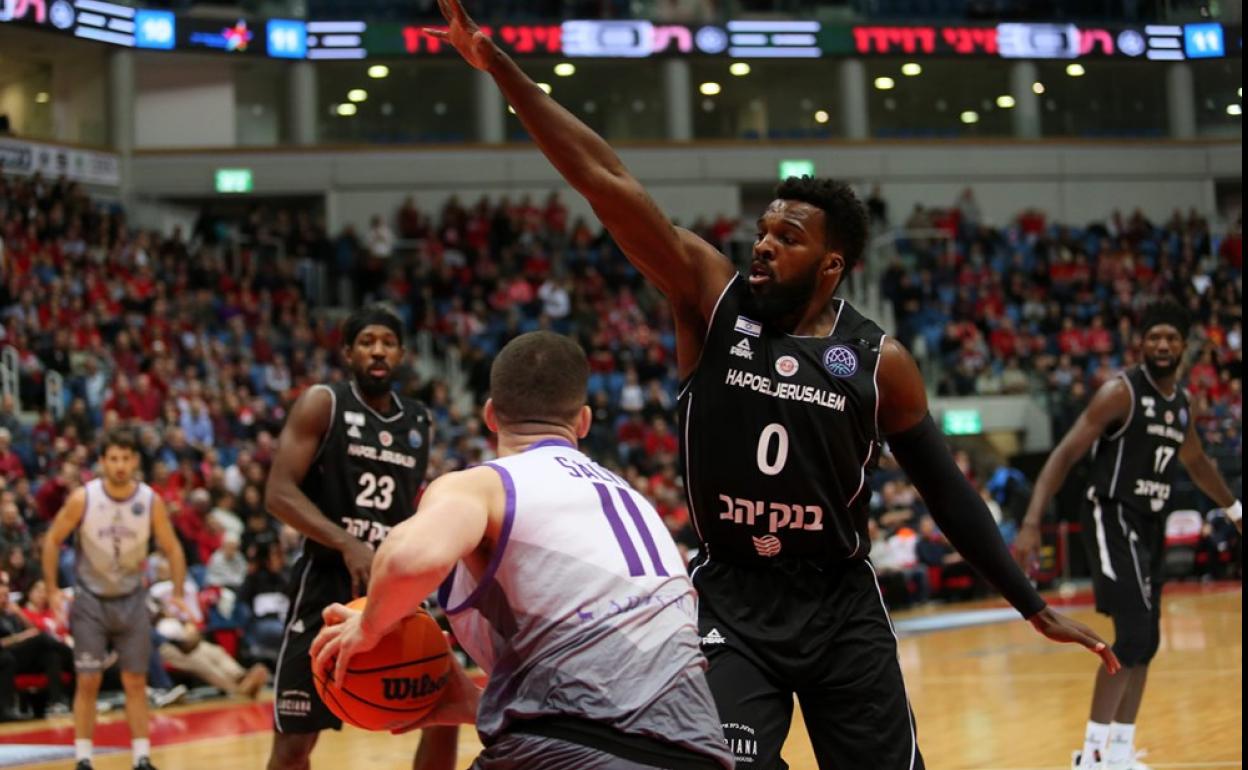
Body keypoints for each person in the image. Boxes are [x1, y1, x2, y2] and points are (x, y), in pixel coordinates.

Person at [429, 3, 1119, 766]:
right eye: (763, 230)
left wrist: (1030, 603)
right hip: (732, 598)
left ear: (832, 266)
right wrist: (502, 70)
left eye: (787, 239)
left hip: (839, 601)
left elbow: (946, 490)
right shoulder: (710, 300)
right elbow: (605, 178)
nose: (762, 245)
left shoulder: (879, 361)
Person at [311, 331, 733, 770]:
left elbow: (406, 559)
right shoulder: (635, 501)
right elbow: (626, 720)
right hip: (698, 754)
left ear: (490, 415)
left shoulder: (484, 485)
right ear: (583, 421)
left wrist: (373, 625)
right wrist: (473, 702)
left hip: (566, 754)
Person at [1014, 301, 1243, 770]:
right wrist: (1033, 522)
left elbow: (1197, 464)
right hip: (1111, 515)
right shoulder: (1120, 393)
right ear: (1141, 342)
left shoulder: (1182, 405)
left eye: (1170, 338)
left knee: (1148, 641)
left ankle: (1119, 750)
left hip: (1151, 522)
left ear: (1183, 346)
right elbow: (1063, 455)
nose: (1161, 344)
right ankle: (1092, 754)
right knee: (1134, 633)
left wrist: (1235, 509)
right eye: (1153, 336)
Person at [262, 305, 457, 770]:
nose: (378, 350)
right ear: (348, 352)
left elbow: (413, 506)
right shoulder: (323, 403)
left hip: (394, 585)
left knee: (440, 711)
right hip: (325, 585)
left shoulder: (419, 422)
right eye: (367, 341)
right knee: (293, 747)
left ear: (402, 354)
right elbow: (278, 492)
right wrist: (347, 543)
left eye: (387, 342)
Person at [41, 428, 191, 770]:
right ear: (102, 462)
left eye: (126, 458)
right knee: (89, 679)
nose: (120, 465)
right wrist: (51, 589)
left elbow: (173, 547)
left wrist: (179, 593)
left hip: (132, 598)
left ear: (135, 461)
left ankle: (141, 756)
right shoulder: (84, 498)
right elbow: (51, 540)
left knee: (136, 681)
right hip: (91, 599)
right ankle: (83, 758)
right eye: (113, 458)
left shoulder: (149, 500)